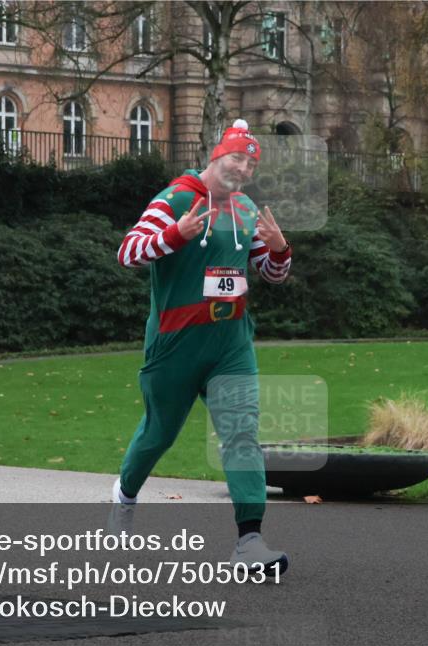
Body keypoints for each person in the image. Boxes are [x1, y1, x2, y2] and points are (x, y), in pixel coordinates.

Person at [113, 119, 291, 575]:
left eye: (251, 162)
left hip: (230, 344)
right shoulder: (175, 198)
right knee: (158, 435)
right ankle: (124, 498)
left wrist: (278, 251)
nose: (244, 168)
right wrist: (175, 235)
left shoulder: (247, 209)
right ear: (216, 156)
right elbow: (129, 252)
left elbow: (270, 276)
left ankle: (249, 541)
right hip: (174, 346)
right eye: (237, 157)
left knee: (241, 434)